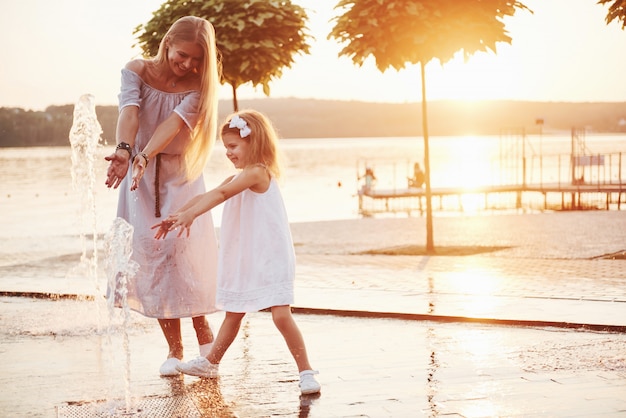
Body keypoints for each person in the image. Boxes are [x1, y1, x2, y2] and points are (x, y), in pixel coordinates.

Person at [152, 110, 322, 395]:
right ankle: (211, 363)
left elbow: (220, 196)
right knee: (234, 314)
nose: (228, 153)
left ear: (253, 142)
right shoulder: (240, 175)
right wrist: (178, 214)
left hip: (269, 256)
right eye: (226, 147)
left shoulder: (257, 172)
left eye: (233, 146)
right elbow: (206, 195)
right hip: (247, 257)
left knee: (280, 315)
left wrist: (192, 217)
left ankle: (306, 371)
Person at [104, 16, 220, 377]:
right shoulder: (135, 70)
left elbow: (172, 126)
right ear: (168, 42)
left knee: (181, 251)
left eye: (196, 60)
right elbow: (130, 112)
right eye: (183, 55)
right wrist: (125, 151)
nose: (188, 65)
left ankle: (204, 336)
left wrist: (144, 155)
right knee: (150, 253)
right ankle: (174, 348)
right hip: (139, 177)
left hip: (179, 174)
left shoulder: (200, 86)